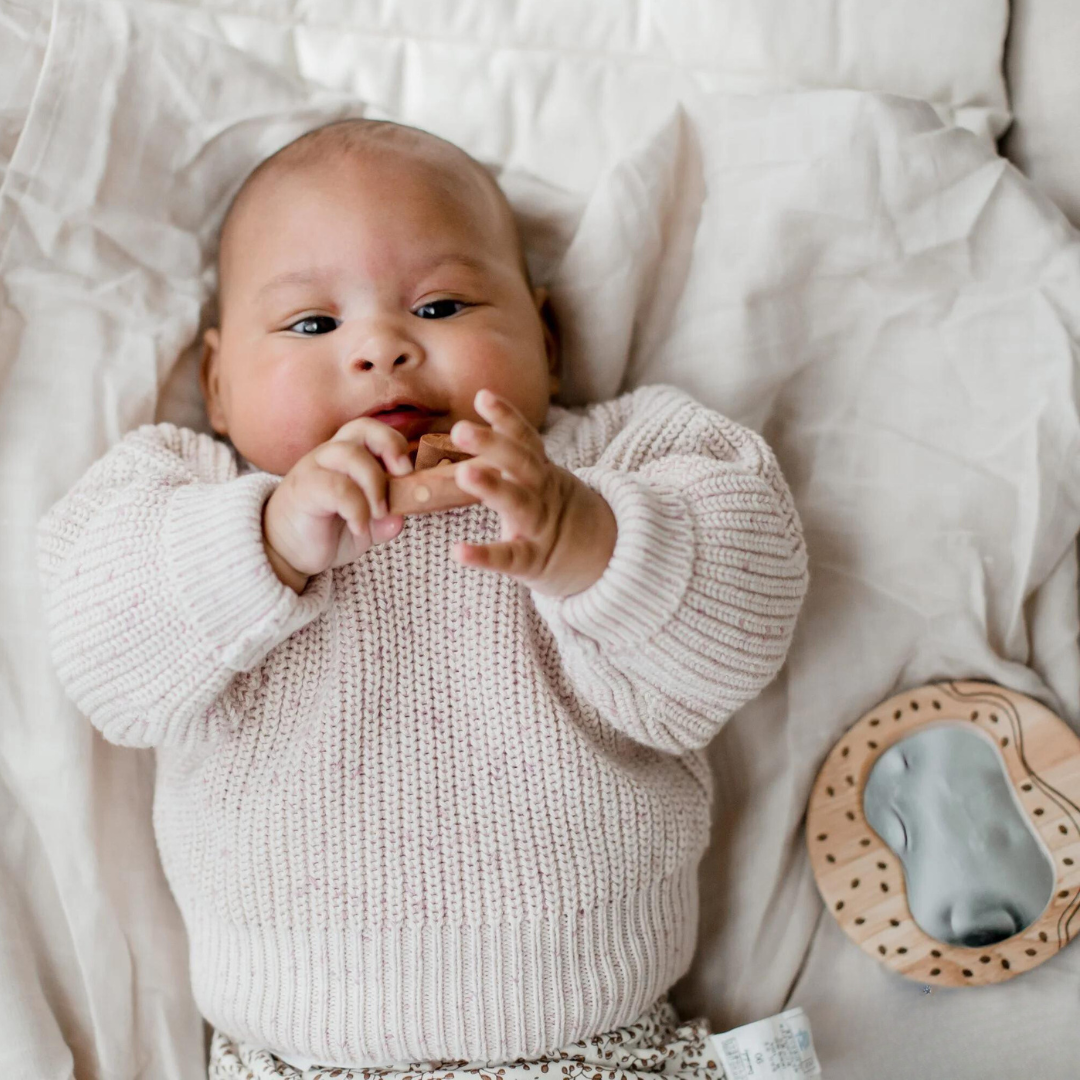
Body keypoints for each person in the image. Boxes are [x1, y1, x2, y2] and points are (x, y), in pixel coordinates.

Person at [35, 118, 810, 1079]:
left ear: (548, 340)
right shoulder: (188, 498)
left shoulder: (618, 461)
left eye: (440, 306)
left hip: (593, 1041)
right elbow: (97, 655)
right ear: (217, 383)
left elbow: (746, 611)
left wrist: (584, 537)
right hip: (292, 1055)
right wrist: (266, 541)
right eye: (313, 325)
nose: (382, 349)